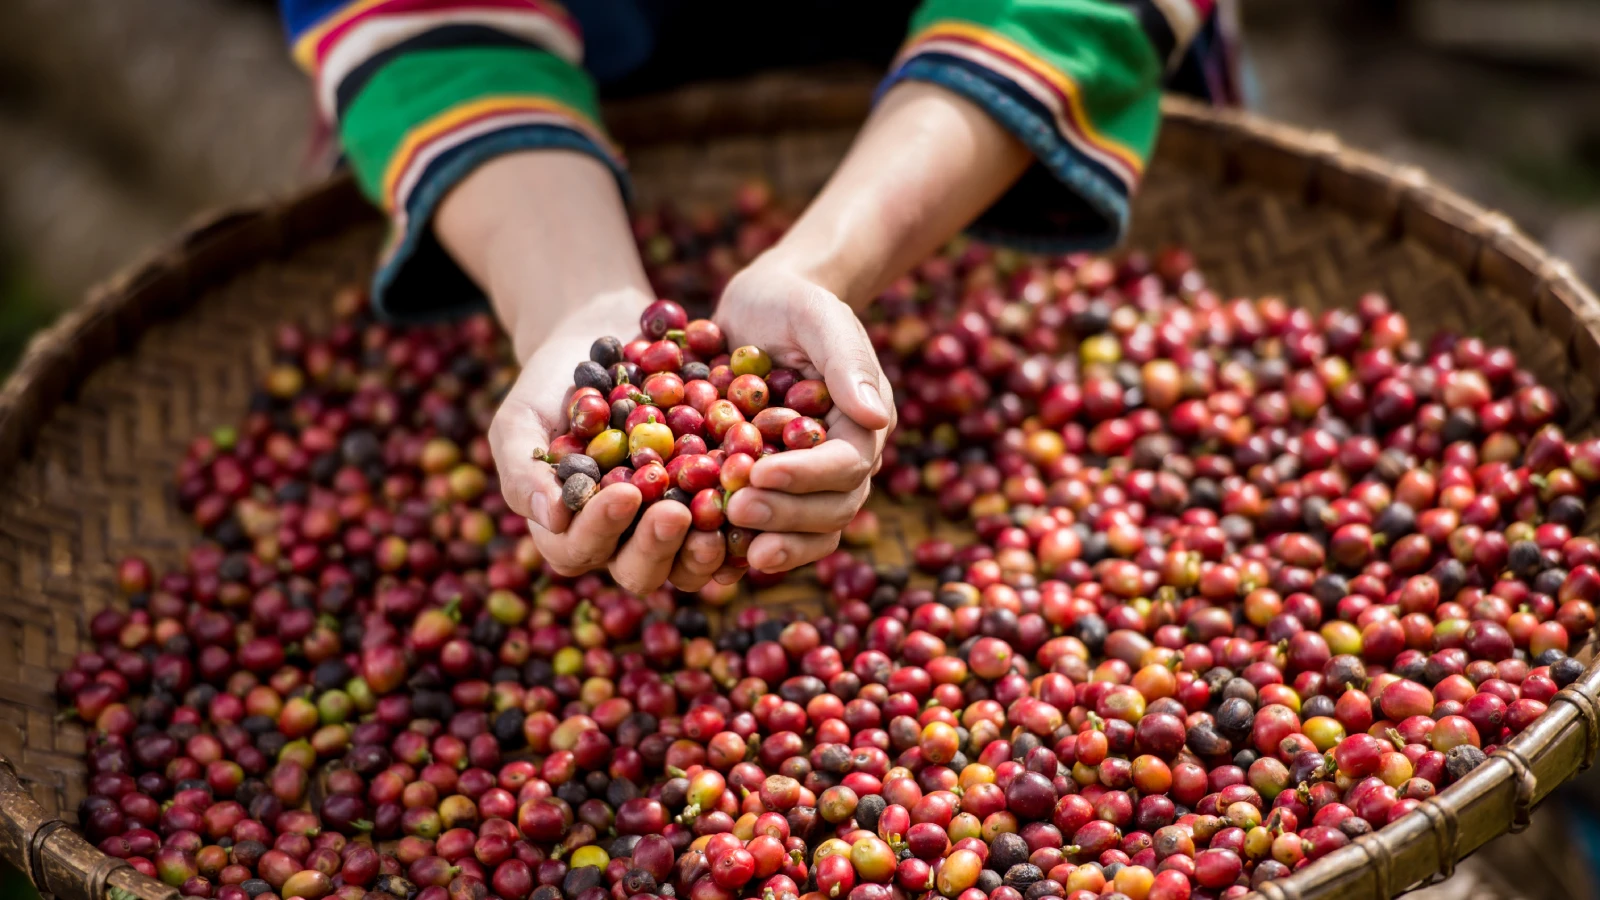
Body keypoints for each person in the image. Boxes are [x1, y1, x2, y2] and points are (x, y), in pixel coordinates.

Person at [275, 0, 1238, 594]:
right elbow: (431, 29)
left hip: (974, 126)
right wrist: (573, 295)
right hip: (548, 142)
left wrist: (821, 266)